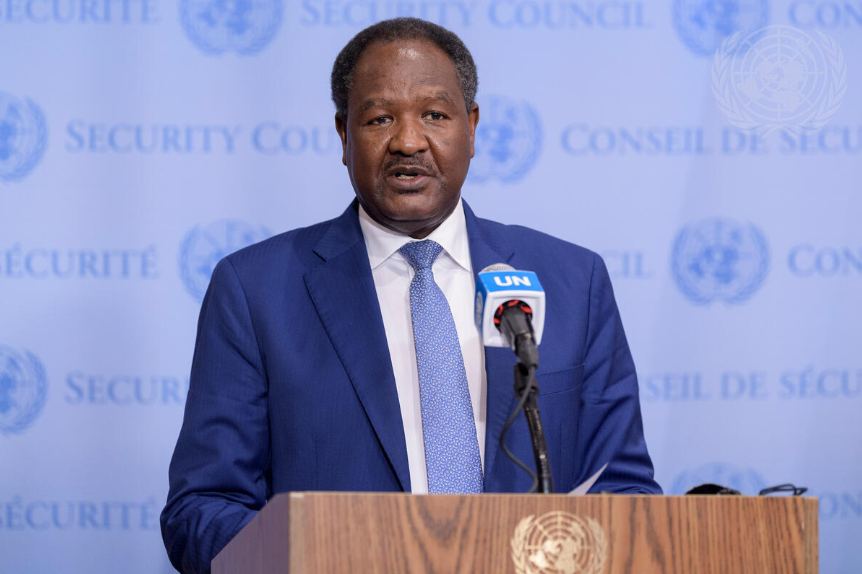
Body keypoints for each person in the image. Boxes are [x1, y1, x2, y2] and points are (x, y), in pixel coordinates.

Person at [161, 17, 660, 574]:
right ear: (343, 136)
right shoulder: (256, 291)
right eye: (379, 118)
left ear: (471, 127)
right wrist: (332, 556)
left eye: (435, 115)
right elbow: (202, 510)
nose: (408, 141)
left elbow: (625, 490)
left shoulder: (572, 280)